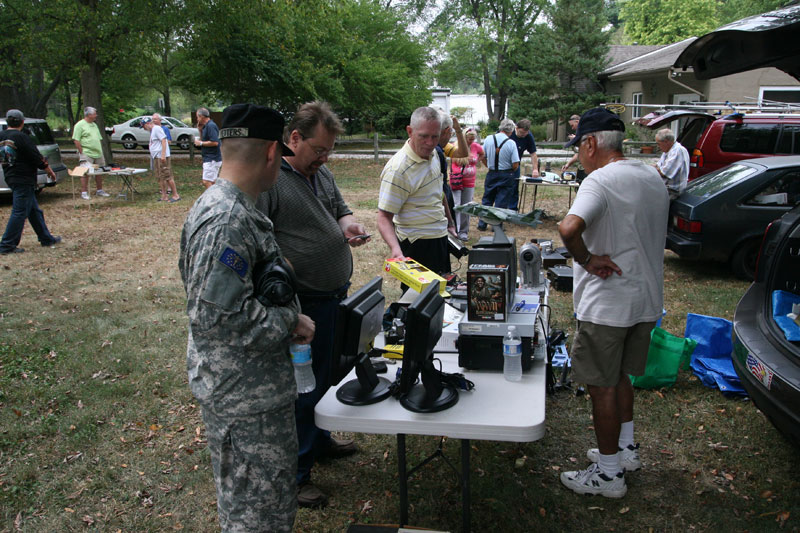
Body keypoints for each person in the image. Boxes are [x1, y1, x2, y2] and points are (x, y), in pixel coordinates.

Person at [179, 103, 315, 532]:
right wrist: (290, 321)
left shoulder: (233, 206)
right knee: (256, 517)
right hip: (243, 398)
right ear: (273, 152)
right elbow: (218, 320)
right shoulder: (227, 220)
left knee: (266, 505)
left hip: (251, 391)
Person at [255, 101, 368, 509]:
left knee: (327, 379)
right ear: (295, 138)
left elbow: (339, 211)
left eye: (329, 151)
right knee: (303, 390)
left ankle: (319, 441)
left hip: (336, 296)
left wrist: (349, 227)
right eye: (318, 149)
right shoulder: (271, 182)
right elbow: (262, 244)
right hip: (306, 305)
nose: (324, 157)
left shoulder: (323, 174)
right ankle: (297, 476)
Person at [557, 108, 669, 498]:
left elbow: (568, 228)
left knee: (601, 386)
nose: (581, 157)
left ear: (590, 143)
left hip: (608, 305)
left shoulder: (599, 182)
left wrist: (587, 260)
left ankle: (608, 475)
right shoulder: (651, 176)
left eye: (580, 148)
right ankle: (626, 450)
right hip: (645, 299)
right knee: (621, 376)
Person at [377, 107, 456, 284]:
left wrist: (450, 224)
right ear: (410, 131)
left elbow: (439, 191)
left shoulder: (435, 154)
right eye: (423, 136)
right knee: (417, 303)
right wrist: (396, 251)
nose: (430, 142)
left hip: (439, 238)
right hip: (416, 244)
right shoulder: (398, 169)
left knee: (444, 294)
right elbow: (383, 217)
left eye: (435, 136)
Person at [0, 109, 61, 254]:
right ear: (22, 122)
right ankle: (7, 245)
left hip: (10, 176)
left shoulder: (1, 136)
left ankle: (46, 238)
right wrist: (49, 170)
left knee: (33, 210)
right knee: (19, 212)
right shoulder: (21, 137)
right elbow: (36, 157)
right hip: (23, 178)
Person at [476, 118, 519, 230]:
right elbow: (515, 164)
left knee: (487, 199)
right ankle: (496, 226)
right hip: (506, 174)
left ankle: (482, 224)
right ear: (511, 130)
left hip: (492, 173)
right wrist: (511, 170)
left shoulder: (489, 139)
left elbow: (483, 156)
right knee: (501, 201)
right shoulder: (511, 143)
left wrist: (489, 165)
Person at [450, 128, 484, 241]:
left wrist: (477, 161)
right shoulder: (455, 146)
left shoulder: (476, 146)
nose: (471, 141)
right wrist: (465, 158)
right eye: (469, 139)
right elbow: (454, 160)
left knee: (467, 205)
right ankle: (455, 229)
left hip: (470, 181)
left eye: (472, 139)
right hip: (457, 180)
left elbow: (482, 153)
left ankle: (464, 231)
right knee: (456, 205)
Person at [434, 111, 468, 220]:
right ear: (448, 130)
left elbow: (463, 153)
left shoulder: (443, 146)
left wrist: (458, 130)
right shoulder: (437, 150)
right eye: (451, 133)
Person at [72, 106, 110, 200]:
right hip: (87, 153)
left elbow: (98, 138)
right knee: (85, 172)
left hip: (98, 153)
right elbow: (76, 140)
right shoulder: (80, 125)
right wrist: (82, 153)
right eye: (94, 114)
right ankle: (84, 192)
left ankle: (99, 190)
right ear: (89, 115)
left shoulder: (94, 125)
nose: (96, 115)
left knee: (99, 171)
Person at [142, 116, 180, 203]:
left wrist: (163, 155)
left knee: (167, 176)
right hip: (156, 156)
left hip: (162, 157)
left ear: (147, 124)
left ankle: (175, 195)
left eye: (144, 126)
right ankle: (164, 196)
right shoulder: (153, 131)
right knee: (160, 177)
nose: (144, 129)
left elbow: (163, 140)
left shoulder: (156, 129)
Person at [508, 118, 540, 210]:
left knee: (514, 188)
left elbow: (533, 154)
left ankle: (512, 210)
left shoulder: (528, 136)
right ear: (516, 128)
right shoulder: (509, 133)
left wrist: (535, 169)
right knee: (503, 187)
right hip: (504, 164)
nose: (523, 135)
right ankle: (501, 207)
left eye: (525, 133)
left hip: (516, 165)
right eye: (522, 133)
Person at [654, 128, 690, 199]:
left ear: (666, 142)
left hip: (673, 191)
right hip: (666, 188)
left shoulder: (677, 150)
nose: (658, 147)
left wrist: (653, 169)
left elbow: (664, 172)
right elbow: (657, 165)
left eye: (659, 144)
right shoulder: (667, 151)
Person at [193, 107, 222, 189]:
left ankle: (212, 199)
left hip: (212, 158)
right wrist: (200, 130)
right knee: (212, 181)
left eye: (197, 117)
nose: (197, 119)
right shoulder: (206, 126)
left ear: (202, 116)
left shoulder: (211, 126)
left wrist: (200, 143)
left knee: (207, 181)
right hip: (210, 158)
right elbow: (206, 139)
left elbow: (215, 142)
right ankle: (216, 198)